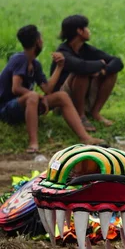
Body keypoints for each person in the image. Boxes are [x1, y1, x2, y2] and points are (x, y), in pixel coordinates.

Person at [0, 25, 105, 153]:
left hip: (26, 104)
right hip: (6, 109)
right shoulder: (19, 59)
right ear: (37, 42)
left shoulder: (35, 64)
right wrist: (38, 96)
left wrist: (59, 66)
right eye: (41, 39)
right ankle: (33, 143)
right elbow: (16, 88)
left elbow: (47, 89)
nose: (42, 42)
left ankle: (85, 138)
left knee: (62, 96)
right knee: (32, 96)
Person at [50, 15, 124, 132]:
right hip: (62, 101)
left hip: (82, 94)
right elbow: (81, 67)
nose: (89, 31)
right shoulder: (63, 52)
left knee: (111, 73)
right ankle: (80, 116)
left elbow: (117, 62)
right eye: (86, 28)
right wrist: (100, 63)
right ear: (79, 31)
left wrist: (103, 71)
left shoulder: (86, 49)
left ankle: (95, 112)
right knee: (82, 74)